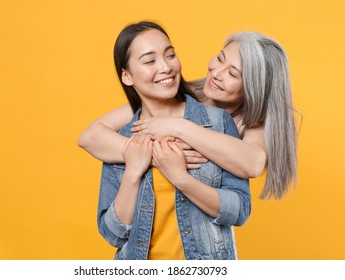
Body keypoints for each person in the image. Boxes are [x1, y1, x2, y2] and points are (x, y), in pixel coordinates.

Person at [78, 28, 298, 200]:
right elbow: (90, 137)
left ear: (254, 89)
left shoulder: (253, 121)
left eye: (232, 73)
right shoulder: (180, 93)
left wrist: (177, 126)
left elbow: (253, 163)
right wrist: (153, 155)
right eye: (220, 59)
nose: (216, 73)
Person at [94, 21, 250, 260]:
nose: (166, 67)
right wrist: (133, 172)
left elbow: (239, 210)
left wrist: (181, 179)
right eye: (149, 61)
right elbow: (112, 235)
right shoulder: (123, 139)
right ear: (127, 76)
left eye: (170, 55)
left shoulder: (217, 123)